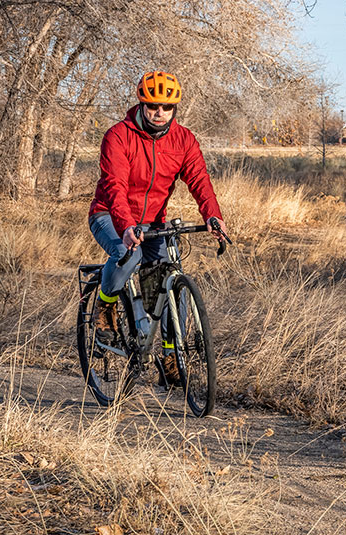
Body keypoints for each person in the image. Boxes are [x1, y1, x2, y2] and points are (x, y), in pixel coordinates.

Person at [88, 70, 227, 385]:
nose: (159, 112)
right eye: (153, 106)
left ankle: (169, 356)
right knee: (127, 254)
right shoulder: (118, 136)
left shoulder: (183, 140)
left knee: (166, 284)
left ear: (175, 108)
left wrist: (212, 215)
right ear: (141, 103)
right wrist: (125, 225)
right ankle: (105, 307)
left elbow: (200, 181)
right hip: (109, 215)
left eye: (166, 107)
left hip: (154, 223)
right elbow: (115, 186)